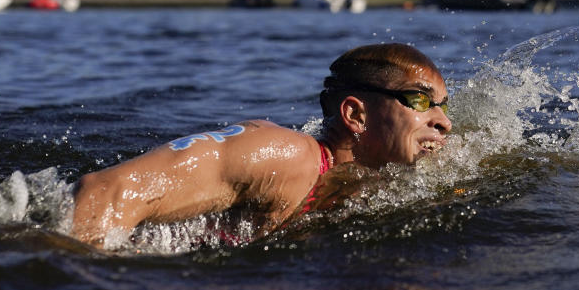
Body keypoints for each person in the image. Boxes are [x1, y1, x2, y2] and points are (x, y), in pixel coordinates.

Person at [71, 43, 452, 248]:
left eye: (443, 105)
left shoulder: (378, 182)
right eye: (419, 100)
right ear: (356, 115)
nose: (444, 121)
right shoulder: (282, 155)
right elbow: (106, 192)